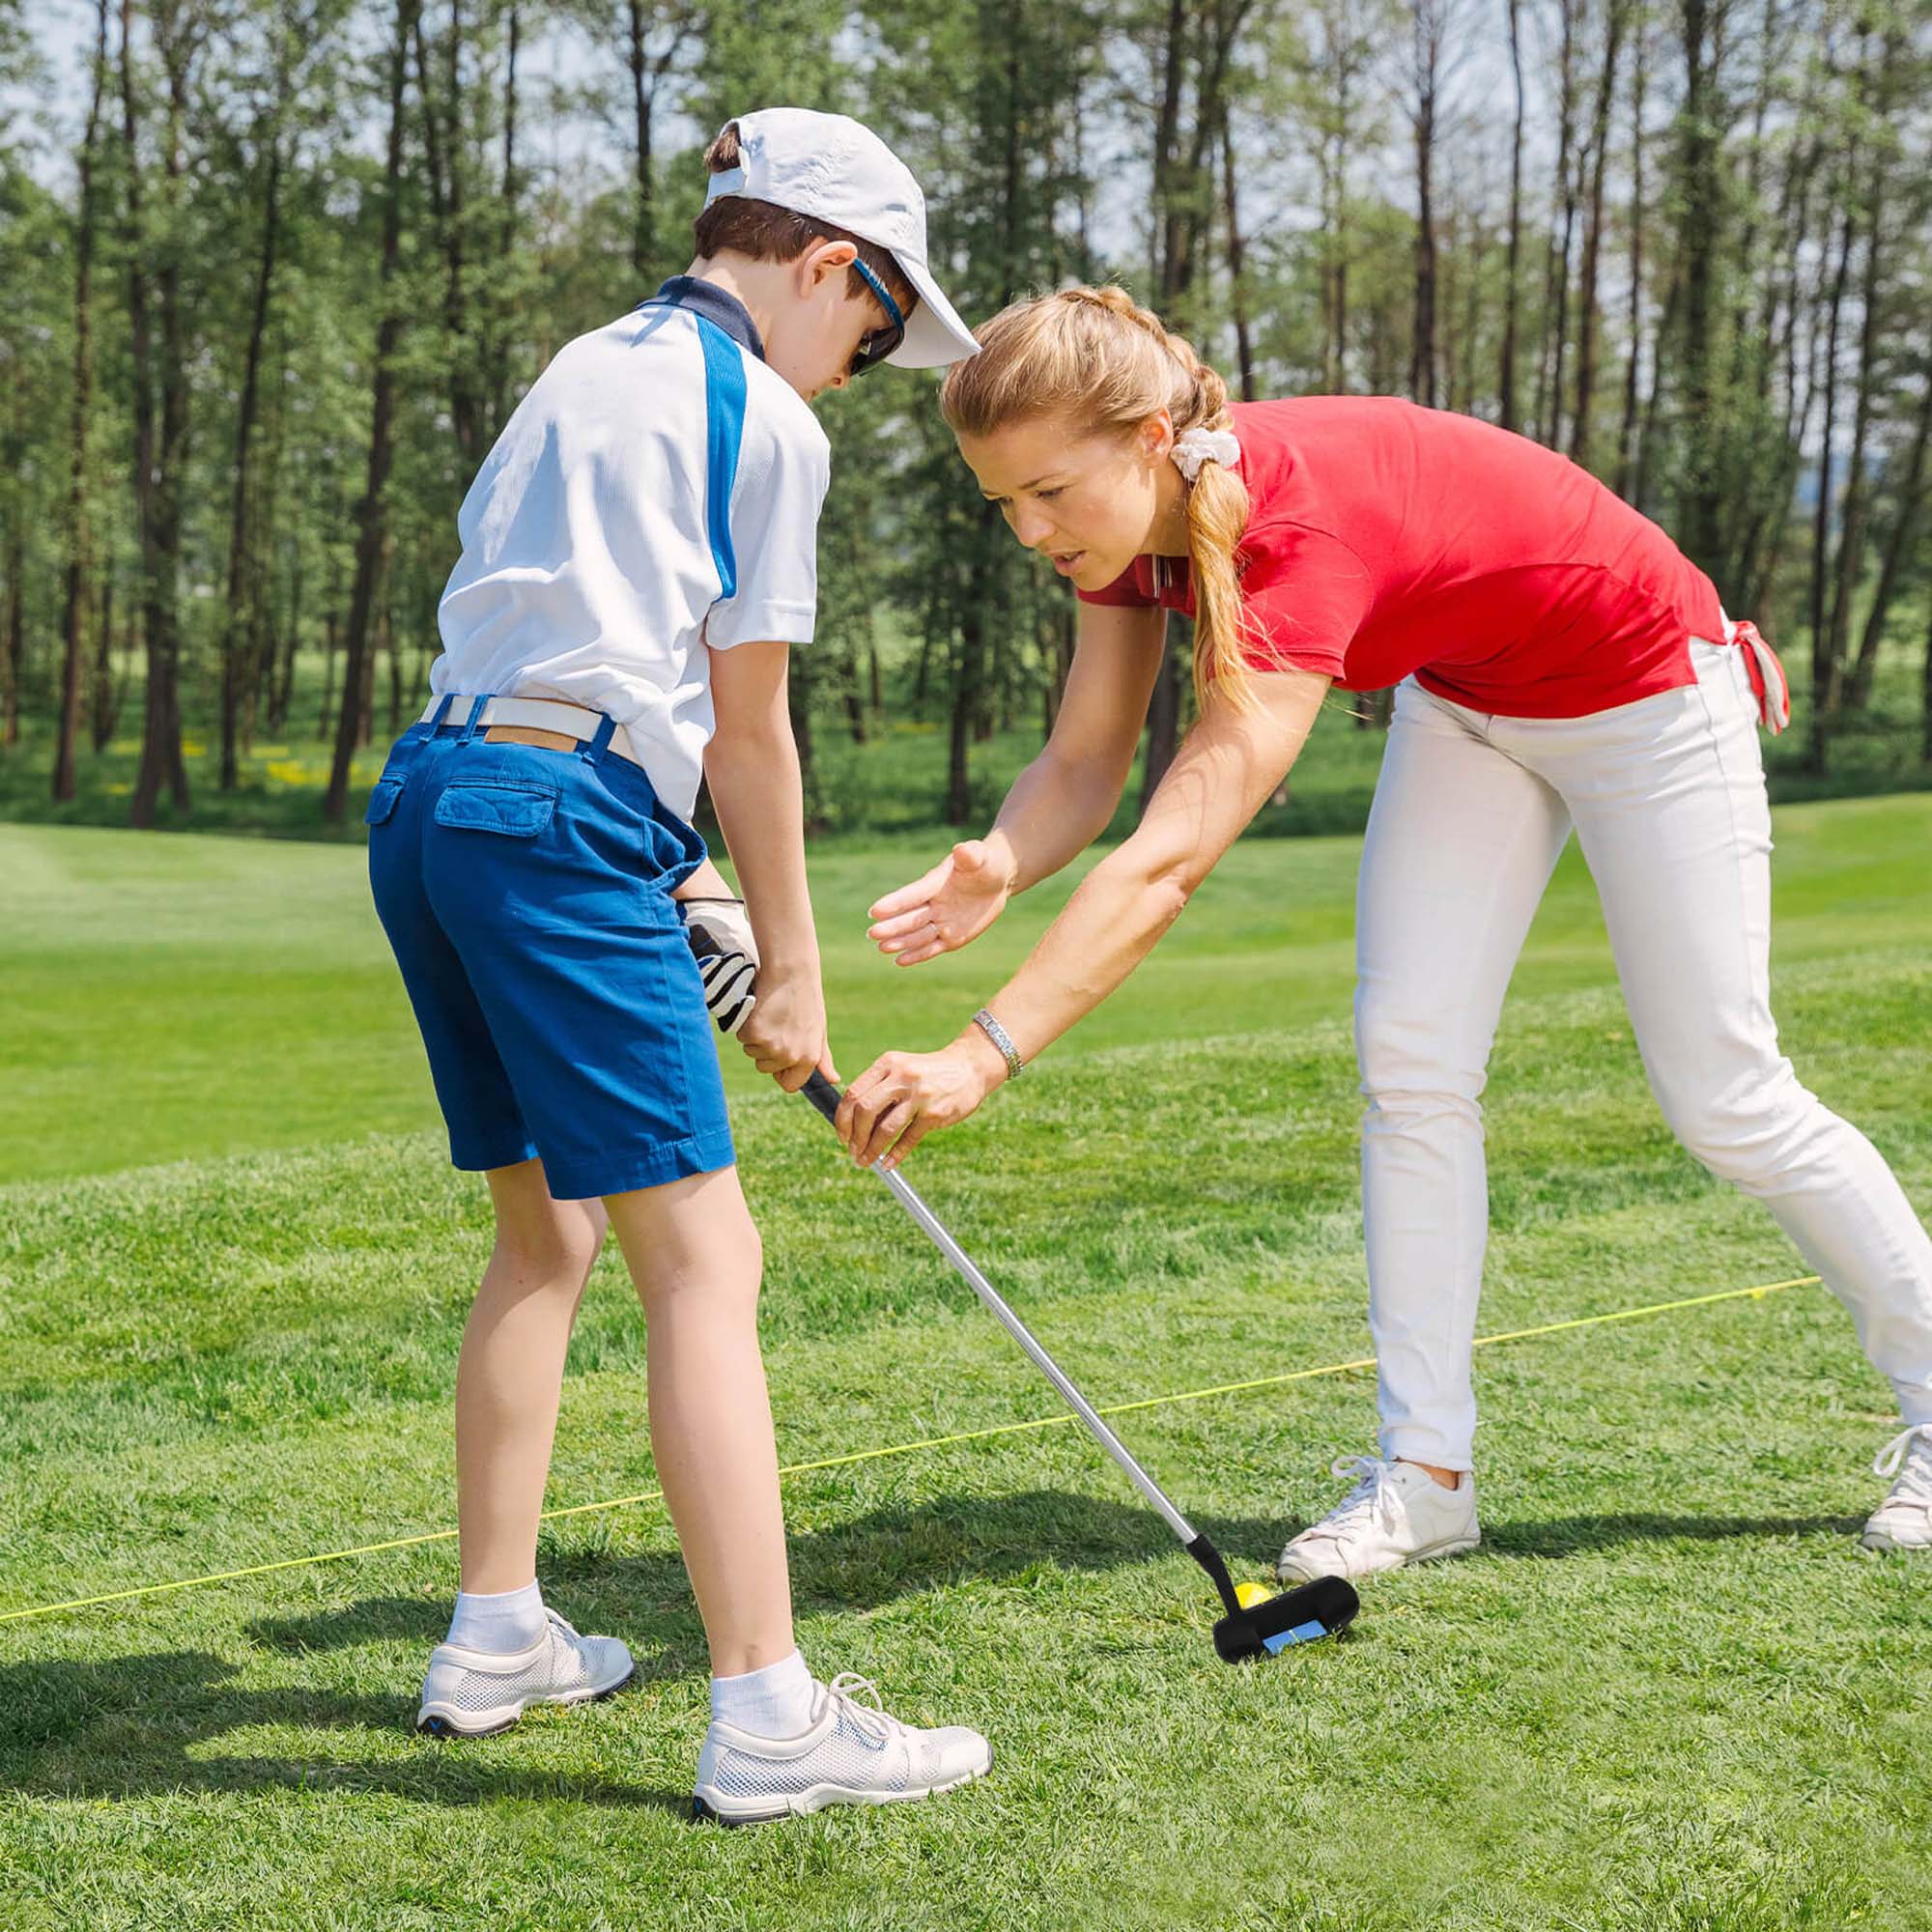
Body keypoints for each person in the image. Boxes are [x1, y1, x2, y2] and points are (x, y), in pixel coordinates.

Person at [832, 282, 1932, 1581]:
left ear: (1145, 440)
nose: (1029, 531)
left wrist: (981, 1054)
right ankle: (1426, 1478)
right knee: (1409, 1065)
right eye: (1002, 502)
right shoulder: (1125, 537)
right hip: (1470, 700)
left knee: (1726, 1096)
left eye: (1050, 493)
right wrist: (1000, 860)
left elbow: (1171, 856)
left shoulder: (1299, 539)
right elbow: (1084, 763)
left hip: (1646, 691)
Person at [364, 108, 993, 1824]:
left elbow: (558, 636)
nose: (860, 367)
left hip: (435, 796)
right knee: (708, 1256)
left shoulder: (581, 361)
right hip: (562, 820)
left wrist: (677, 876)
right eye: (872, 329)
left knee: (545, 1229)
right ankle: (771, 1717)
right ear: (826, 267)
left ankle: (495, 1633)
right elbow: (749, 720)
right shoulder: (766, 419)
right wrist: (791, 967)